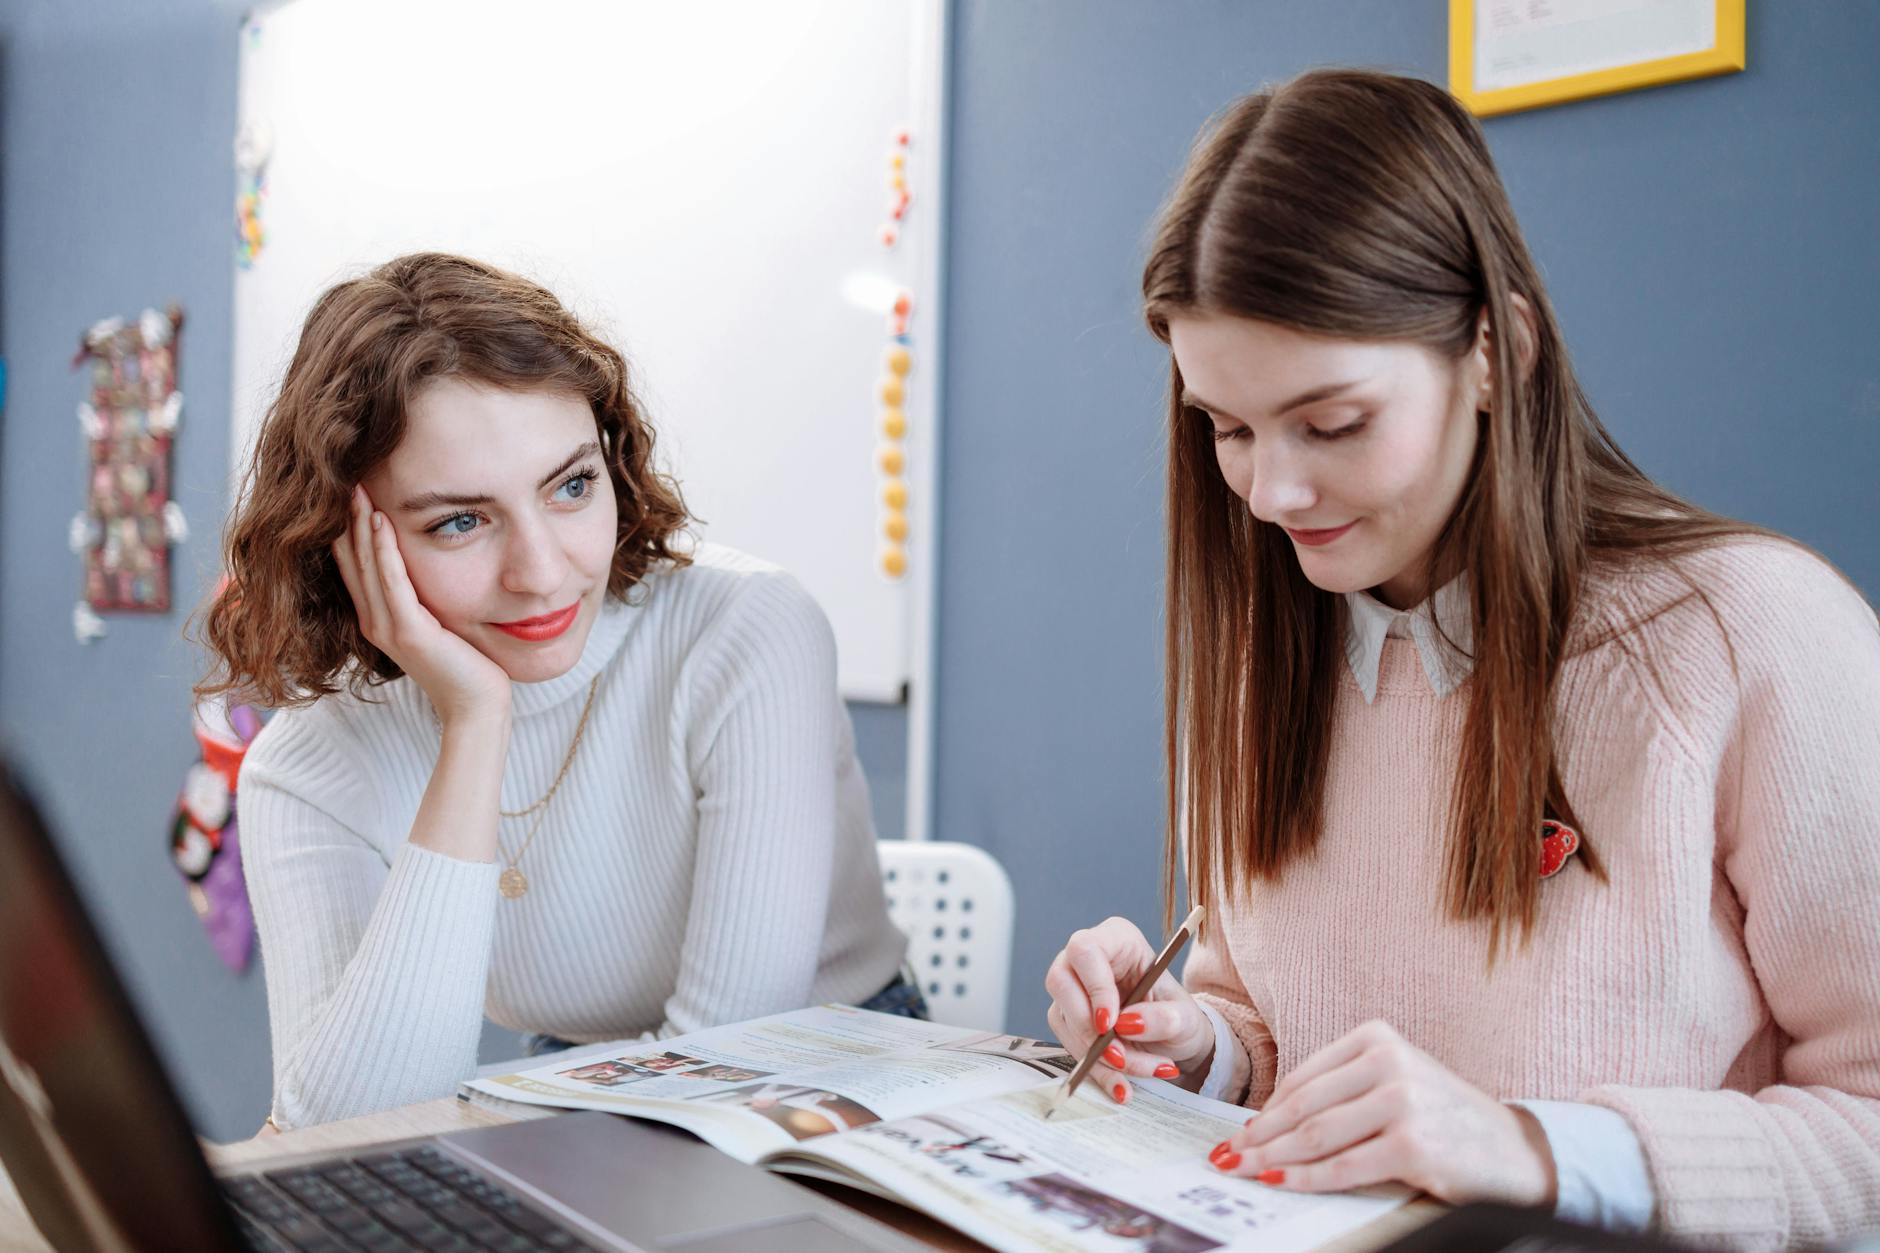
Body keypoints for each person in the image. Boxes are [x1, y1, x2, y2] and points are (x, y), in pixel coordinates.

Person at [1041, 69, 1880, 1248]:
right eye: (1226, 428)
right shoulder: (1273, 657)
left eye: (1331, 424)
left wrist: (1530, 1147)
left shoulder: (1750, 633)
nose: (1271, 493)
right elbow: (1280, 1027)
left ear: (1495, 351)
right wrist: (1198, 1044)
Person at [198, 253, 915, 1130]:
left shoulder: (745, 631)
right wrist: (474, 722)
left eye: (572, 486)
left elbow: (728, 1066)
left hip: (835, 1084)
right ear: (343, 535)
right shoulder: (308, 766)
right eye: (460, 521)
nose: (541, 572)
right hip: (588, 1085)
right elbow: (346, 1136)